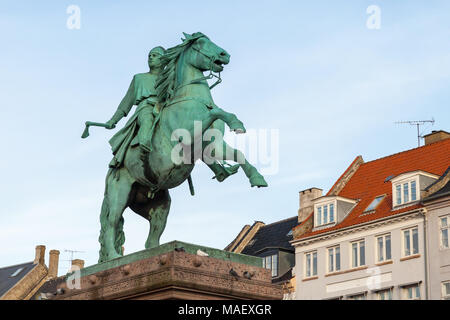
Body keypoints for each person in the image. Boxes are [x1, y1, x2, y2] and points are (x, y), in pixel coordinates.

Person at [105, 46, 165, 168]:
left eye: (155, 55)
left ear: (163, 59)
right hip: (146, 107)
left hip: (165, 108)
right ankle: (144, 152)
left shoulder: (169, 79)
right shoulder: (139, 78)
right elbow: (127, 101)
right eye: (149, 55)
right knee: (147, 121)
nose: (150, 58)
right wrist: (114, 119)